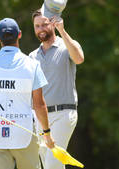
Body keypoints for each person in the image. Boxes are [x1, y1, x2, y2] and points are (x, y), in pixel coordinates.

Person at [0, 18, 54, 169]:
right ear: (20, 35)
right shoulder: (32, 65)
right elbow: (39, 104)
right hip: (24, 132)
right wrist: (47, 133)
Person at [29, 6, 84, 169]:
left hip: (64, 114)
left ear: (53, 24)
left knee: (53, 164)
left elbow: (79, 58)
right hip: (40, 118)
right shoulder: (32, 56)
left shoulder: (66, 45)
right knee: (47, 165)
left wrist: (62, 30)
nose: (40, 29)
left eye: (44, 24)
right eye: (37, 26)